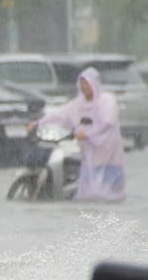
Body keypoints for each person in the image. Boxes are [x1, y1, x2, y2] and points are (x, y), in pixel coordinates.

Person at [27, 66, 125, 202]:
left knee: (109, 195)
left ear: (95, 84)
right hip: (89, 154)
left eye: (87, 83)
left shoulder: (107, 101)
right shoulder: (78, 104)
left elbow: (107, 123)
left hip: (108, 154)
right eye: (82, 84)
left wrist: (89, 134)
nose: (85, 87)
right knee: (89, 194)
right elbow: (59, 114)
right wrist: (38, 122)